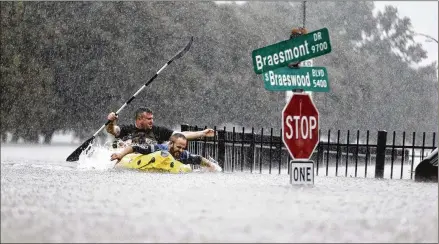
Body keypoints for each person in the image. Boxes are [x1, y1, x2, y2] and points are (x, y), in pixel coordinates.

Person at [110, 133, 222, 172]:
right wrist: (120, 155)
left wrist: (211, 166)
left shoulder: (183, 154)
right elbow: (135, 147)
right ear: (170, 144)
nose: (181, 150)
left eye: (183, 147)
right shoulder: (158, 148)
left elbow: (199, 159)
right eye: (179, 147)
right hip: (141, 160)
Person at [106, 107, 215, 147]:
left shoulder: (158, 131)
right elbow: (112, 130)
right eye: (149, 119)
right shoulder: (126, 129)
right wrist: (111, 121)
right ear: (139, 119)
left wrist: (202, 133)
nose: (152, 121)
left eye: (152, 118)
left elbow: (180, 135)